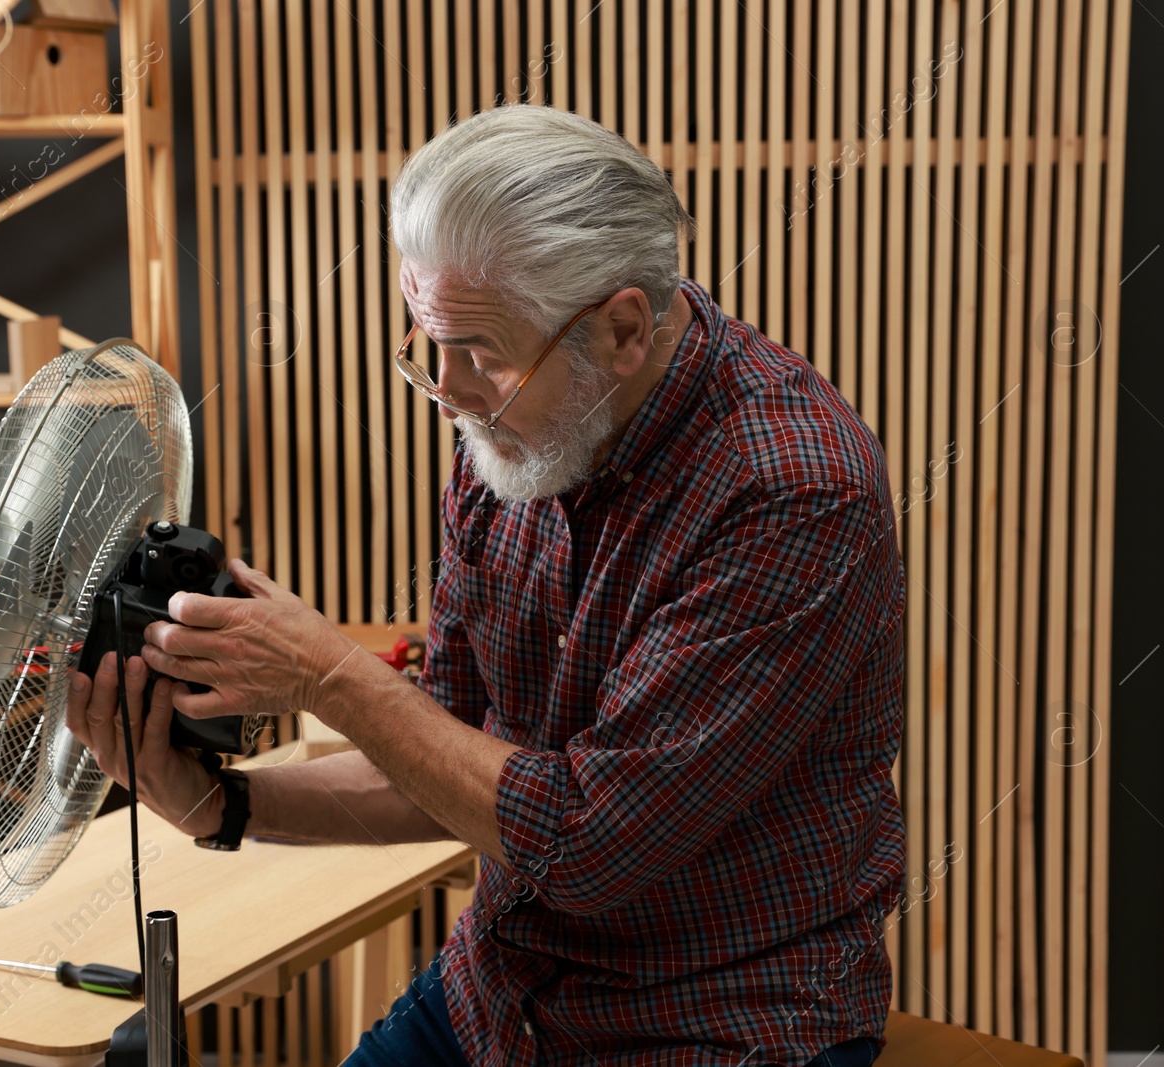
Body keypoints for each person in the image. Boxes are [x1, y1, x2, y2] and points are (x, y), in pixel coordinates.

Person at [66, 104, 907, 1067]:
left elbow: (589, 845)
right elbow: (444, 765)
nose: (452, 390)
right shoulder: (512, 436)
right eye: (431, 343)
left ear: (623, 326)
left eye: (481, 353)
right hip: (503, 996)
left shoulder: (791, 487)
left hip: (720, 1018)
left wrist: (331, 676)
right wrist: (218, 802)